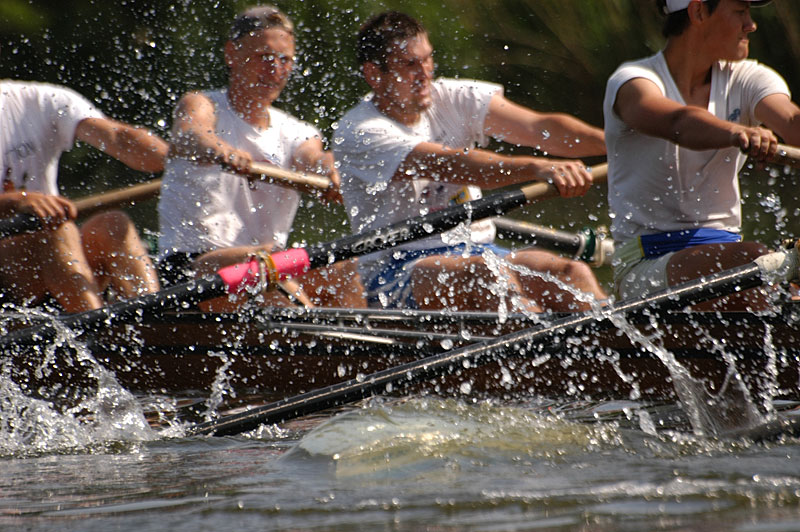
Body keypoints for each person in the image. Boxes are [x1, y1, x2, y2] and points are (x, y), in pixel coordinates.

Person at [334, 11, 608, 312]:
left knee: (572, 272)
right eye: (410, 64)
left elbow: (539, 127)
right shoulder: (360, 132)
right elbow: (456, 164)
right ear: (374, 74)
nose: (425, 73)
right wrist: (537, 168)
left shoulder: (453, 96)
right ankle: (537, 349)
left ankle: (622, 350)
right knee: (485, 275)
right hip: (395, 269)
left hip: (479, 250)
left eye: (427, 59)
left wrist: (617, 145)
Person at [159, 5, 364, 311]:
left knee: (343, 267)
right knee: (267, 261)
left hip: (266, 268)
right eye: (265, 57)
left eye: (285, 60)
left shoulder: (297, 131)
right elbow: (192, 132)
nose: (276, 69)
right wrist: (220, 149)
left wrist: (330, 171)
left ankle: (368, 351)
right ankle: (320, 343)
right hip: (189, 270)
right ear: (231, 54)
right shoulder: (203, 104)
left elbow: (314, 157)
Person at [605, 0, 800, 310]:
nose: (751, 25)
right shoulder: (633, 82)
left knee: (765, 268)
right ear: (698, 12)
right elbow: (677, 123)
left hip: (729, 262)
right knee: (757, 260)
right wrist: (737, 132)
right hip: (645, 270)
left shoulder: (749, 78)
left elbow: (791, 122)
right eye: (740, 12)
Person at [0, 80, 167, 313]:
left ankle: (151, 325)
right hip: (9, 278)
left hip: (56, 260)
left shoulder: (39, 100)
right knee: (59, 229)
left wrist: (178, 159)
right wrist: (15, 201)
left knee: (114, 225)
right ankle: (92, 331)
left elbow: (118, 137)